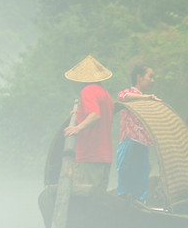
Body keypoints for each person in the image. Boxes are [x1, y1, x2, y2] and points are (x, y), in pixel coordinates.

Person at [63, 55, 115, 194]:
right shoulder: (105, 94)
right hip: (104, 156)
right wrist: (77, 117)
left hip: (90, 155)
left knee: (85, 199)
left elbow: (95, 115)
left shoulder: (88, 91)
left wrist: (77, 128)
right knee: (98, 199)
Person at [116, 64, 160, 203]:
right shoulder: (130, 93)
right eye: (150, 77)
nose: (153, 80)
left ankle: (140, 203)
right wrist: (146, 98)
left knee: (143, 174)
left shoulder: (147, 99)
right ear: (139, 78)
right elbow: (122, 97)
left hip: (142, 144)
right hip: (129, 141)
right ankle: (124, 200)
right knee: (127, 172)